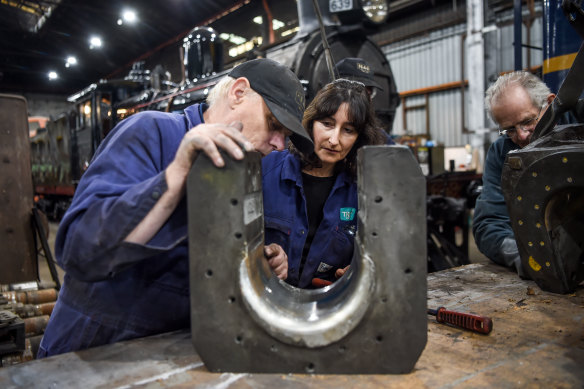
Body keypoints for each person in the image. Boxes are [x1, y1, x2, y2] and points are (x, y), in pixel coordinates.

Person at [38, 58, 314, 357]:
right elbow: (79, 251)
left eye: (285, 136)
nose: (279, 145)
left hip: (170, 354)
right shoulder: (150, 132)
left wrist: (258, 264)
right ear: (238, 93)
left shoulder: (244, 170)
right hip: (91, 353)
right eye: (274, 124)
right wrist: (177, 173)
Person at [262, 79, 385, 289]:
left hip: (327, 310)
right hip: (264, 301)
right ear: (310, 123)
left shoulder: (363, 190)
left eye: (348, 130)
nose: (334, 140)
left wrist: (354, 271)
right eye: (327, 124)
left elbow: (377, 254)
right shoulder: (266, 168)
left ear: (359, 138)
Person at [473, 71, 555, 278]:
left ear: (550, 104)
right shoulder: (502, 152)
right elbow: (489, 224)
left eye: (528, 121)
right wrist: (525, 256)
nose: (521, 136)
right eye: (509, 129)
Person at [335, 57, 395, 145]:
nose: (366, 98)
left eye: (369, 92)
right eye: (358, 91)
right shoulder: (316, 131)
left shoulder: (380, 136)